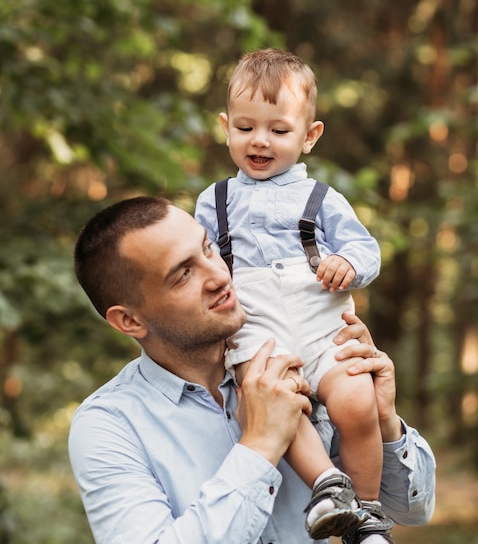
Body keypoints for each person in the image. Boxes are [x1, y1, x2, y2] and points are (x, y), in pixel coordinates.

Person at [69, 195, 436, 544]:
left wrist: (384, 419)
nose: (219, 275)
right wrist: (260, 445)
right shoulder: (109, 425)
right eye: (183, 274)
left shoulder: (304, 362)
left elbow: (410, 510)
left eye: (208, 248)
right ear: (129, 320)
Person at [195, 48, 386, 540]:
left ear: (309, 136)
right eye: (245, 127)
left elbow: (365, 249)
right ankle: (328, 485)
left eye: (279, 130)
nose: (260, 141)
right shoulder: (212, 201)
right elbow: (202, 265)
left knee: (358, 403)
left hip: (322, 323)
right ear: (226, 126)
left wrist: (348, 264)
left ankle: (365, 517)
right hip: (256, 327)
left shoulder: (322, 197)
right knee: (274, 402)